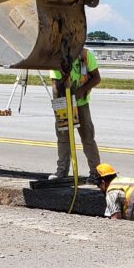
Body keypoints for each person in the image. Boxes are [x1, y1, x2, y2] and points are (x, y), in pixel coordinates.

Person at [51, 49, 103, 179]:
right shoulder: (57, 57)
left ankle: (95, 173)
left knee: (87, 138)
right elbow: (56, 85)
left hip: (81, 103)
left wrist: (81, 91)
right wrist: (60, 108)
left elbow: (96, 78)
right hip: (63, 102)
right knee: (63, 138)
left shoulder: (86, 55)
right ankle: (62, 172)